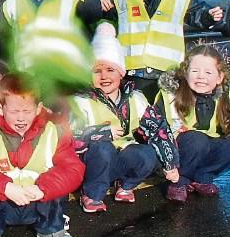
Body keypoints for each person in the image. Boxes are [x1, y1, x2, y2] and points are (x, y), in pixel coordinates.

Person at [0, 73, 83, 237]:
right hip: (2, 203)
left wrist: (43, 188)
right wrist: (5, 187)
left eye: (27, 111)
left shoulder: (53, 131)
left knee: (58, 182)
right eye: (14, 111)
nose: (21, 118)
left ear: (39, 108)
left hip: (38, 199)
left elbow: (73, 168)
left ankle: (51, 228)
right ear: (0, 108)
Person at [70, 26, 178, 212]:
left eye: (111, 69)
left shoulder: (136, 98)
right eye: (97, 71)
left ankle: (126, 185)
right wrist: (103, 133)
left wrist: (170, 164)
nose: (104, 76)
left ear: (121, 73)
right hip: (90, 164)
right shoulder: (80, 102)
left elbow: (159, 130)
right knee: (103, 149)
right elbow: (71, 139)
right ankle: (92, 194)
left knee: (146, 154)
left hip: (120, 156)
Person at [112, 0, 222, 101]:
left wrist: (209, 16)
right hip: (133, 73)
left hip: (167, 74)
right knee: (135, 119)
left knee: (167, 120)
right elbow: (108, 16)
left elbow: (195, 13)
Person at [157, 44, 230, 201]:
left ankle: (202, 177)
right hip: (176, 150)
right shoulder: (171, 95)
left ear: (219, 78)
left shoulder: (225, 97)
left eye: (208, 72)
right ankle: (179, 181)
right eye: (195, 71)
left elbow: (226, 130)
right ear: (185, 73)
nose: (201, 76)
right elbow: (158, 130)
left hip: (206, 145)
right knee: (197, 140)